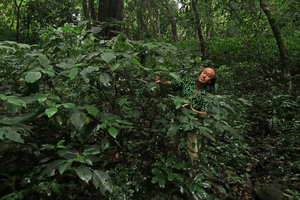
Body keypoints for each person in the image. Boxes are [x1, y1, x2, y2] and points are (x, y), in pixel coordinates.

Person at [155, 67, 216, 176]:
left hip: (192, 124)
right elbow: (172, 83)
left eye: (208, 76)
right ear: (200, 72)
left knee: (192, 151)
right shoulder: (188, 82)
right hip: (177, 118)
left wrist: (193, 110)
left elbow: (205, 113)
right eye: (204, 73)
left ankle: (193, 174)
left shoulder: (207, 95)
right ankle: (175, 166)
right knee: (173, 143)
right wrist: (161, 82)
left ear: (210, 81)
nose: (204, 76)